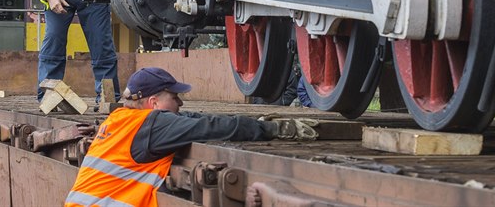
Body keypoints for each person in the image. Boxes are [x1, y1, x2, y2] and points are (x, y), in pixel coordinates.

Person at [64, 67, 318, 207]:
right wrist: (272, 130)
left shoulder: (120, 120)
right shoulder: (152, 125)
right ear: (153, 103)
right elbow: (210, 127)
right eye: (174, 98)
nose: (181, 102)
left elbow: (190, 119)